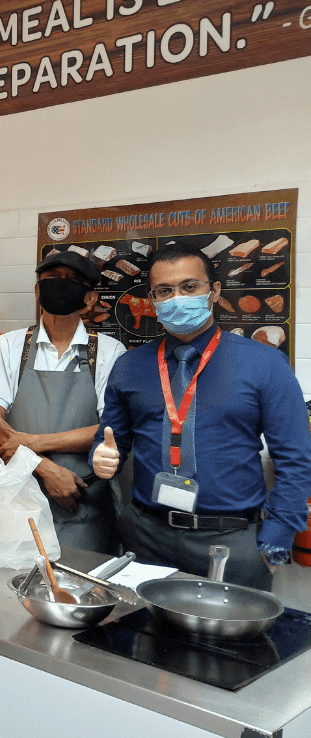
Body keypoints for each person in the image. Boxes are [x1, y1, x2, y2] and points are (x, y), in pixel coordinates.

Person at [92, 243, 311, 589]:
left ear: (214, 291)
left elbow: (297, 459)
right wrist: (100, 456)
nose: (177, 297)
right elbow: (111, 440)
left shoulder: (265, 364)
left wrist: (275, 543)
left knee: (230, 643)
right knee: (144, 640)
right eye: (164, 291)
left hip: (231, 541)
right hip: (147, 536)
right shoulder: (130, 367)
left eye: (189, 287)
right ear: (152, 300)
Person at [0, 250, 126, 554]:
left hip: (82, 506)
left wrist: (33, 441)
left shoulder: (110, 352)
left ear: (89, 298)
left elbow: (108, 429)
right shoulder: (9, 346)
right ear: (36, 291)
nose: (59, 286)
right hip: (17, 501)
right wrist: (41, 466)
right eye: (50, 280)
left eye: (71, 281)